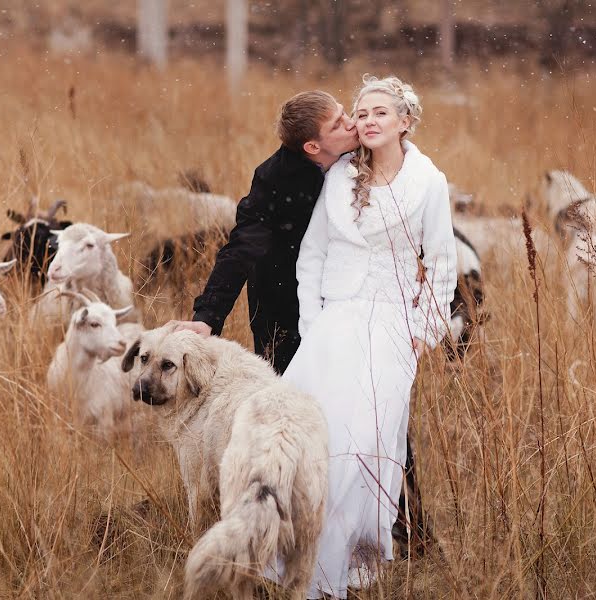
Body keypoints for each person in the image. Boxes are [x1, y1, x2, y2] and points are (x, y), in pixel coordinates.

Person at [281, 75, 457, 598]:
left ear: (405, 122)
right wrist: (311, 322)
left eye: (382, 112)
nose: (369, 120)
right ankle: (298, 550)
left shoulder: (429, 182)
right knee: (316, 437)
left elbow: (442, 263)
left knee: (370, 441)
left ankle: (353, 556)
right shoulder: (339, 177)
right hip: (333, 323)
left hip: (391, 326)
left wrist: (424, 331)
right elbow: (312, 254)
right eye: (362, 113)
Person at [170, 90, 358, 374]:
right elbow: (242, 246)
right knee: (289, 388)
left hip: (345, 291)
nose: (351, 122)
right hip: (283, 302)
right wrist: (207, 316)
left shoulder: (366, 152)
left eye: (344, 112)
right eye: (337, 124)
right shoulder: (274, 179)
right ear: (313, 147)